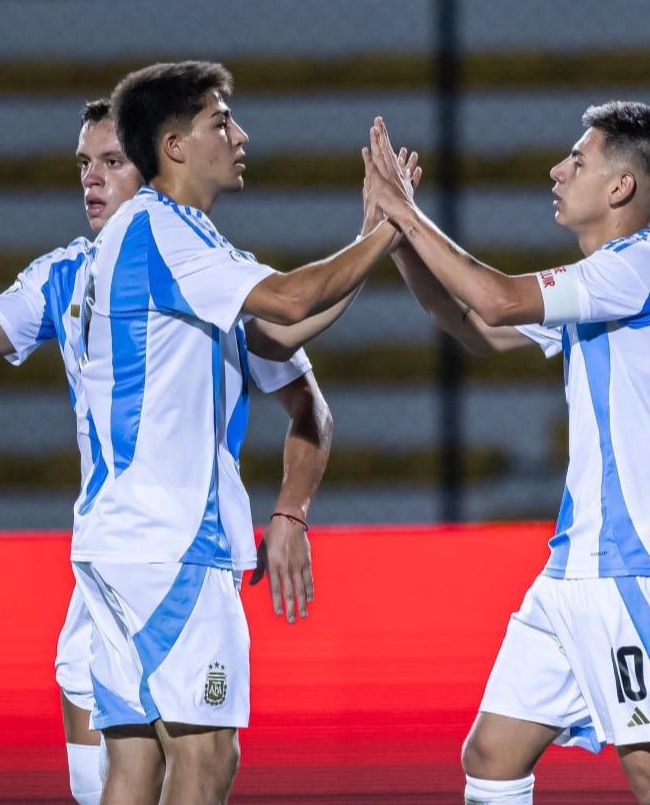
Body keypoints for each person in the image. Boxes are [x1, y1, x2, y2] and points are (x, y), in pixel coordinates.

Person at [0, 99, 330, 805]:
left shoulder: (218, 273)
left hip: (178, 543)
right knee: (108, 781)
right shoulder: (64, 274)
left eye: (112, 162)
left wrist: (291, 512)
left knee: (190, 759)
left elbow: (310, 407)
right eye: (83, 165)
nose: (92, 180)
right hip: (110, 558)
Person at [364, 105, 650, 805]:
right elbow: (470, 326)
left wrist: (408, 215)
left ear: (622, 188)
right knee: (492, 754)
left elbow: (494, 301)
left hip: (634, 565)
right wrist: (393, 234)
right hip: (576, 566)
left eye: (578, 161)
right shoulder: (607, 286)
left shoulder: (646, 263)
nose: (558, 171)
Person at [75, 61, 408, 805]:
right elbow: (291, 299)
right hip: (171, 542)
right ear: (174, 145)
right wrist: (395, 227)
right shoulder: (162, 231)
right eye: (220, 120)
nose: (240, 133)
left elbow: (283, 330)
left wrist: (369, 238)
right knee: (207, 758)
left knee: (135, 765)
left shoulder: (176, 242)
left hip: (120, 541)